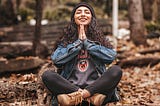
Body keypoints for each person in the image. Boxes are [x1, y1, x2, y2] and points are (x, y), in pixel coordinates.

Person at [42, 2, 122, 106]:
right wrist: (78, 43)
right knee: (47, 75)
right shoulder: (65, 40)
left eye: (87, 12)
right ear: (73, 19)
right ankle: (89, 98)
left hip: (95, 87)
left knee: (116, 71)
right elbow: (56, 60)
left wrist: (87, 43)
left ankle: (77, 97)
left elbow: (111, 57)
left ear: (92, 18)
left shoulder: (100, 40)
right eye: (78, 12)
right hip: (70, 87)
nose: (83, 14)